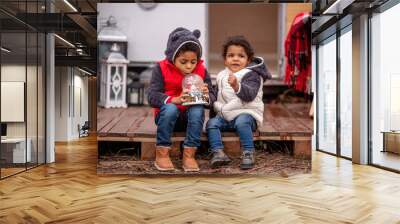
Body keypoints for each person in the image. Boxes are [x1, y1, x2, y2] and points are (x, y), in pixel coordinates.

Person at [148, 27, 216, 172]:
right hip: (167, 116)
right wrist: (175, 99)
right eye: (183, 61)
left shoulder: (202, 70)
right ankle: (162, 153)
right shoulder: (160, 68)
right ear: (173, 56)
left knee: (197, 108)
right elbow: (152, 96)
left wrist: (206, 96)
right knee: (171, 108)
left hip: (191, 121)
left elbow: (212, 98)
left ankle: (189, 154)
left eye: (193, 61)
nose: (189, 66)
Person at [206, 35, 271, 169]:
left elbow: (250, 95)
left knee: (242, 121)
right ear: (225, 60)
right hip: (226, 115)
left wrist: (237, 86)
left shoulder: (252, 75)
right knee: (211, 123)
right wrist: (207, 98)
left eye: (241, 56)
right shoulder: (221, 75)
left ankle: (248, 152)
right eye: (231, 55)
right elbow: (217, 96)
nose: (235, 58)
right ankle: (218, 152)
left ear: (248, 60)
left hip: (247, 114)